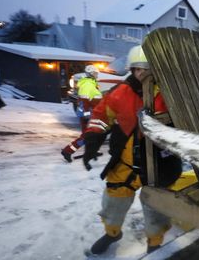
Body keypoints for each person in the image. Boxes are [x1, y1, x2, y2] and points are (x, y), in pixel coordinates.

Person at [82, 45, 182, 255]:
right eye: (137, 68)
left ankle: (155, 243)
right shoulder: (120, 93)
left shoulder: (172, 95)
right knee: (113, 201)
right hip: (125, 163)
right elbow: (101, 117)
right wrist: (92, 140)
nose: (141, 73)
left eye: (146, 68)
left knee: (157, 207)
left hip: (159, 164)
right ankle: (112, 233)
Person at [61, 65, 103, 162]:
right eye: (95, 73)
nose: (97, 75)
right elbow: (84, 102)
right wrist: (87, 115)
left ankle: (91, 151)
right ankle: (67, 151)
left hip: (92, 114)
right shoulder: (88, 84)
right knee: (87, 136)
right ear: (91, 73)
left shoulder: (91, 83)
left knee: (94, 134)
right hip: (88, 116)